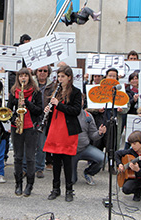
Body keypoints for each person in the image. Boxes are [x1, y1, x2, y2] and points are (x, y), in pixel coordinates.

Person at [43, 65, 82, 202]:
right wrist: (49, 108)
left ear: (69, 77)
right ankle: (55, 189)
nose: (60, 79)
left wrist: (58, 105)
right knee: (56, 161)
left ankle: (69, 190)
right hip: (55, 128)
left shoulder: (76, 92)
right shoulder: (56, 91)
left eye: (63, 77)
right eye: (58, 76)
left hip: (67, 130)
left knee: (67, 162)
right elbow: (55, 109)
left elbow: (75, 111)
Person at [7, 68, 42, 197]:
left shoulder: (36, 92)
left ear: (29, 77)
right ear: (18, 78)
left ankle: (29, 185)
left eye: (25, 76)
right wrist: (13, 119)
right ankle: (18, 184)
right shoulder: (13, 92)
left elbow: (39, 110)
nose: (23, 78)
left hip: (30, 127)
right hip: (17, 127)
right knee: (17, 157)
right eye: (21, 76)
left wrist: (26, 103)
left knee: (30, 158)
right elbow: (9, 110)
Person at [72, 94, 106, 186]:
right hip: (70, 151)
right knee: (71, 181)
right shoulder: (66, 114)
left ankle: (88, 172)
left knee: (103, 158)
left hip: (85, 148)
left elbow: (93, 135)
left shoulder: (88, 116)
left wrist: (99, 133)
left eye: (81, 100)